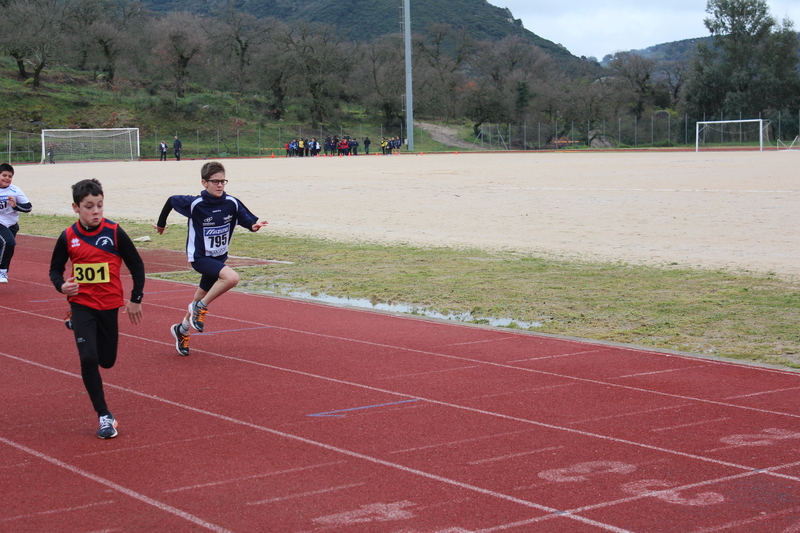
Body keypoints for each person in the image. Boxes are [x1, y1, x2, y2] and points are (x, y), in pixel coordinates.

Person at [49, 178, 145, 439]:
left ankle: (78, 325)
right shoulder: (68, 236)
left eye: (99, 206)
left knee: (107, 361)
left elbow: (136, 264)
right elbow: (55, 269)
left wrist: (136, 298)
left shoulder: (114, 232)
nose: (95, 212)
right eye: (89, 206)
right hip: (81, 304)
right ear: (76, 208)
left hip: (109, 307)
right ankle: (105, 416)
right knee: (88, 359)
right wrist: (61, 286)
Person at [154, 161, 268, 357]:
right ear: (204, 182)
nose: (220, 185)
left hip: (218, 258)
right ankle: (201, 307)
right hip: (199, 257)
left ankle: (181, 330)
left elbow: (245, 218)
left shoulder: (231, 202)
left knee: (199, 296)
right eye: (215, 181)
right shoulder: (195, 204)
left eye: (223, 181)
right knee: (232, 278)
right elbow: (171, 200)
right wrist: (161, 224)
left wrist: (253, 226)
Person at [0, 163, 33, 284]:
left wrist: (15, 206)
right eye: (4, 175)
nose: (7, 178)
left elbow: (28, 207)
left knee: (7, 247)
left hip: (11, 224)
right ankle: (2, 271)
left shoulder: (15, 190)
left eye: (10, 176)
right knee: (9, 242)